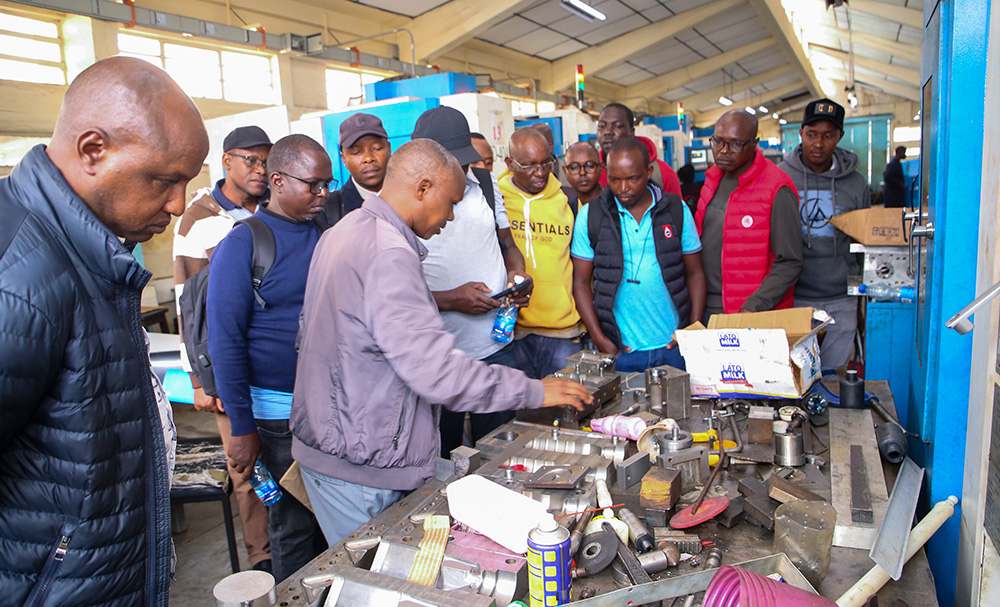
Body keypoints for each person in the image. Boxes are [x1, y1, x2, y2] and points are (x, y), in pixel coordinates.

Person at [289, 139, 592, 546]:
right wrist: (534, 390)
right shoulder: (389, 253)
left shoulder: (344, 231)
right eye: (450, 203)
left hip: (338, 443)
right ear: (422, 188)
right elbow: (438, 374)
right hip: (359, 465)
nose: (450, 218)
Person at [0, 56, 208, 607]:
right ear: (94, 150)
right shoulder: (18, 278)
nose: (178, 203)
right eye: (165, 180)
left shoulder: (92, 256)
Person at [209, 134, 330, 581]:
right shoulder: (243, 244)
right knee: (293, 525)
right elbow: (224, 341)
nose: (322, 195)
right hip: (277, 419)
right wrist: (242, 428)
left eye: (326, 185)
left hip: (325, 408)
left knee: (329, 520)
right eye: (312, 185)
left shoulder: (320, 233)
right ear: (277, 180)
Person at [172, 125, 273, 573]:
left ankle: (292, 546)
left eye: (266, 160)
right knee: (246, 470)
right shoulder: (199, 218)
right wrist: (199, 379)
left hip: (269, 366)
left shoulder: (272, 208)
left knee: (282, 462)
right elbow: (186, 306)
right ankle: (263, 562)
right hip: (224, 367)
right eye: (250, 160)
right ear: (227, 161)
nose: (260, 169)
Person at [410, 106, 530, 458]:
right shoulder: (408, 203)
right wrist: (449, 299)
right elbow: (393, 292)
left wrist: (516, 275)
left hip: (496, 348)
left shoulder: (487, 185)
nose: (461, 171)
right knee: (443, 459)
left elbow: (508, 244)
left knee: (499, 452)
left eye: (464, 161)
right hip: (438, 356)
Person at [572, 138, 706, 372]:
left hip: (672, 347)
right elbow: (581, 283)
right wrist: (600, 338)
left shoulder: (676, 209)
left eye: (633, 179)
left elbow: (695, 273)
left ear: (648, 172)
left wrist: (691, 330)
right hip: (621, 350)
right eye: (615, 179)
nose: (623, 188)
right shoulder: (591, 215)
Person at [778, 99, 870, 372]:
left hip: (840, 295)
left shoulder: (855, 183)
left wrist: (862, 299)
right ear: (801, 133)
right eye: (812, 135)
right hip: (794, 296)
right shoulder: (781, 177)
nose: (818, 144)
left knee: (833, 374)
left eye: (828, 136)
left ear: (839, 137)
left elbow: (863, 240)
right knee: (793, 374)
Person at [695, 109, 803, 318]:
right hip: (708, 309)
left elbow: (790, 262)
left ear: (754, 144)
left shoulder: (777, 188)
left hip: (751, 314)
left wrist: (754, 306)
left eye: (736, 144)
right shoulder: (712, 181)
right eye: (718, 142)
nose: (724, 151)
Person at [500, 127, 584, 378]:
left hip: (561, 332)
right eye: (528, 165)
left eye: (546, 163)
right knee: (519, 412)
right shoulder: (497, 200)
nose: (540, 172)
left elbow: (581, 267)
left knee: (564, 410)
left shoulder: (568, 201)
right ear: (510, 164)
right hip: (513, 331)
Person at [596, 102, 682, 197]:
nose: (608, 132)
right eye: (602, 126)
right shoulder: (591, 172)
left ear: (631, 132)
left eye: (617, 126)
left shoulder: (663, 174)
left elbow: (676, 210)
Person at [322, 112, 390, 225]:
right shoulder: (329, 210)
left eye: (376, 148)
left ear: (388, 148)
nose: (368, 158)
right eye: (356, 152)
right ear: (344, 159)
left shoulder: (413, 197)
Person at [564, 141, 604, 207]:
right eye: (574, 167)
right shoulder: (560, 207)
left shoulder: (613, 204)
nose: (582, 172)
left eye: (590, 166)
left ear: (600, 167)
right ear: (565, 171)